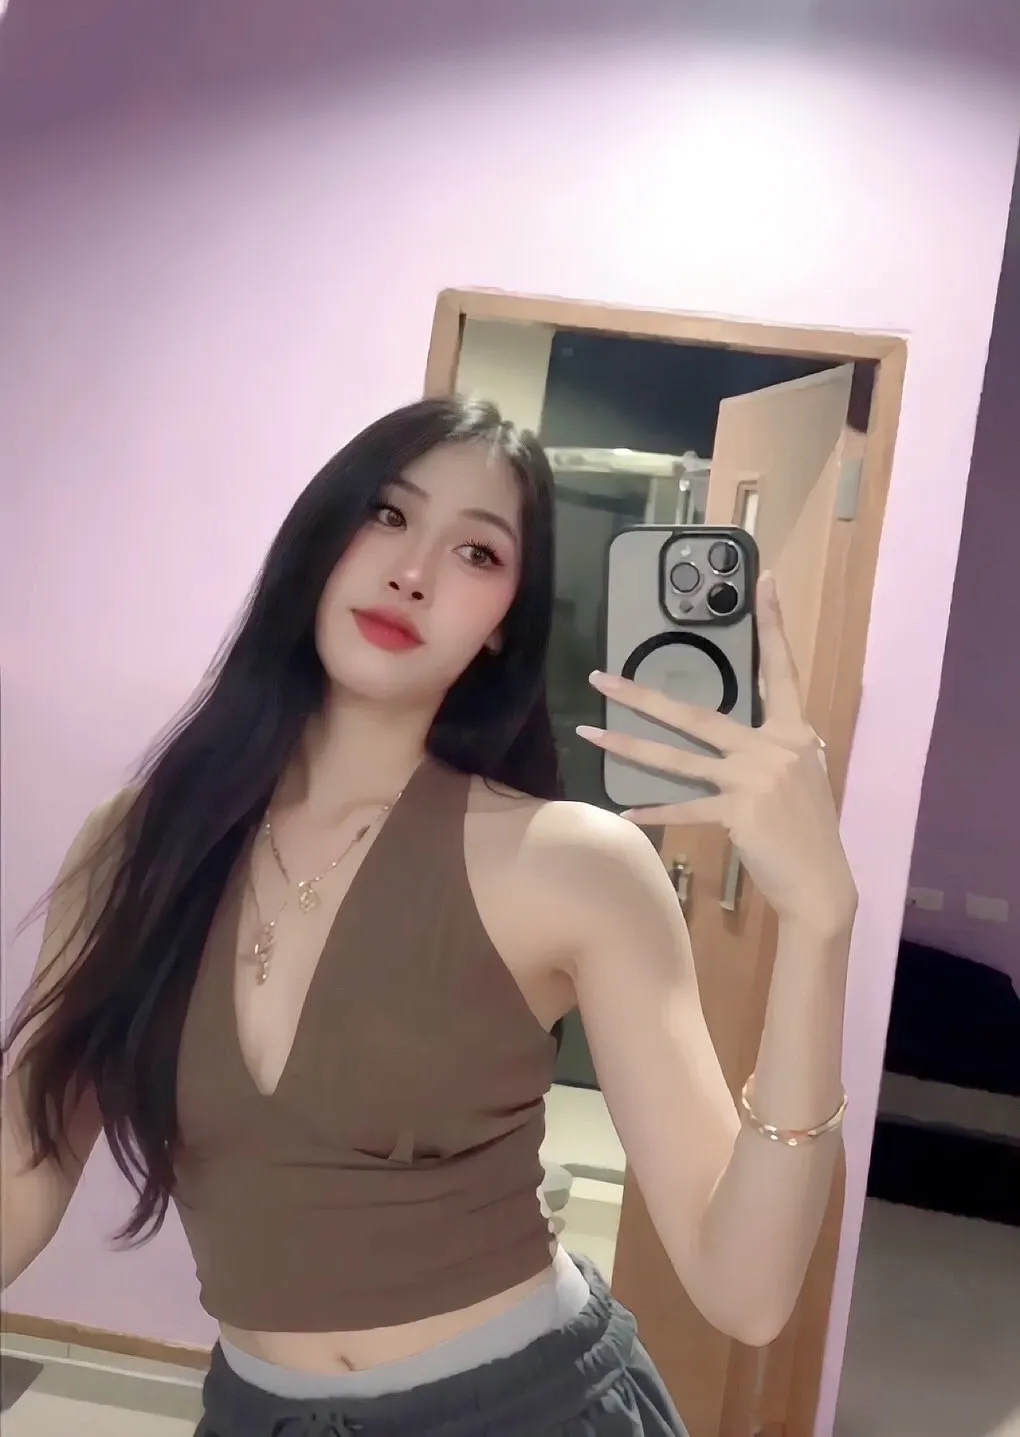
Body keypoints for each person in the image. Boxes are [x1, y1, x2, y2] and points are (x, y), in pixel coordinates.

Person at [1, 397, 858, 1437]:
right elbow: (25, 1168)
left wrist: (819, 923)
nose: (413, 572)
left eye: (477, 553)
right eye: (387, 514)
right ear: (320, 537)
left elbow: (746, 1290)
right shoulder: (136, 847)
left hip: (530, 1412)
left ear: (503, 624)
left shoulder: (571, 864)